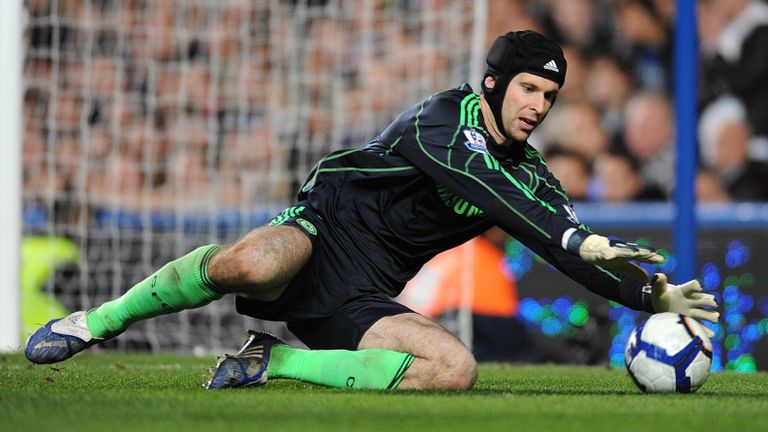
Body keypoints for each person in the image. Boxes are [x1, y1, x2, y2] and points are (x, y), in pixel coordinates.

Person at [25, 30, 719, 391]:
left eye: (550, 98)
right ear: (494, 83)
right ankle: (96, 322)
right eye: (530, 90)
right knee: (247, 261)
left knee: (454, 371)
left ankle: (275, 364)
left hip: (362, 295)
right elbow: (494, 192)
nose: (539, 107)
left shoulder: (531, 173)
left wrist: (650, 294)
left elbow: (566, 251)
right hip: (318, 236)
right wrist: (572, 232)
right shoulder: (440, 121)